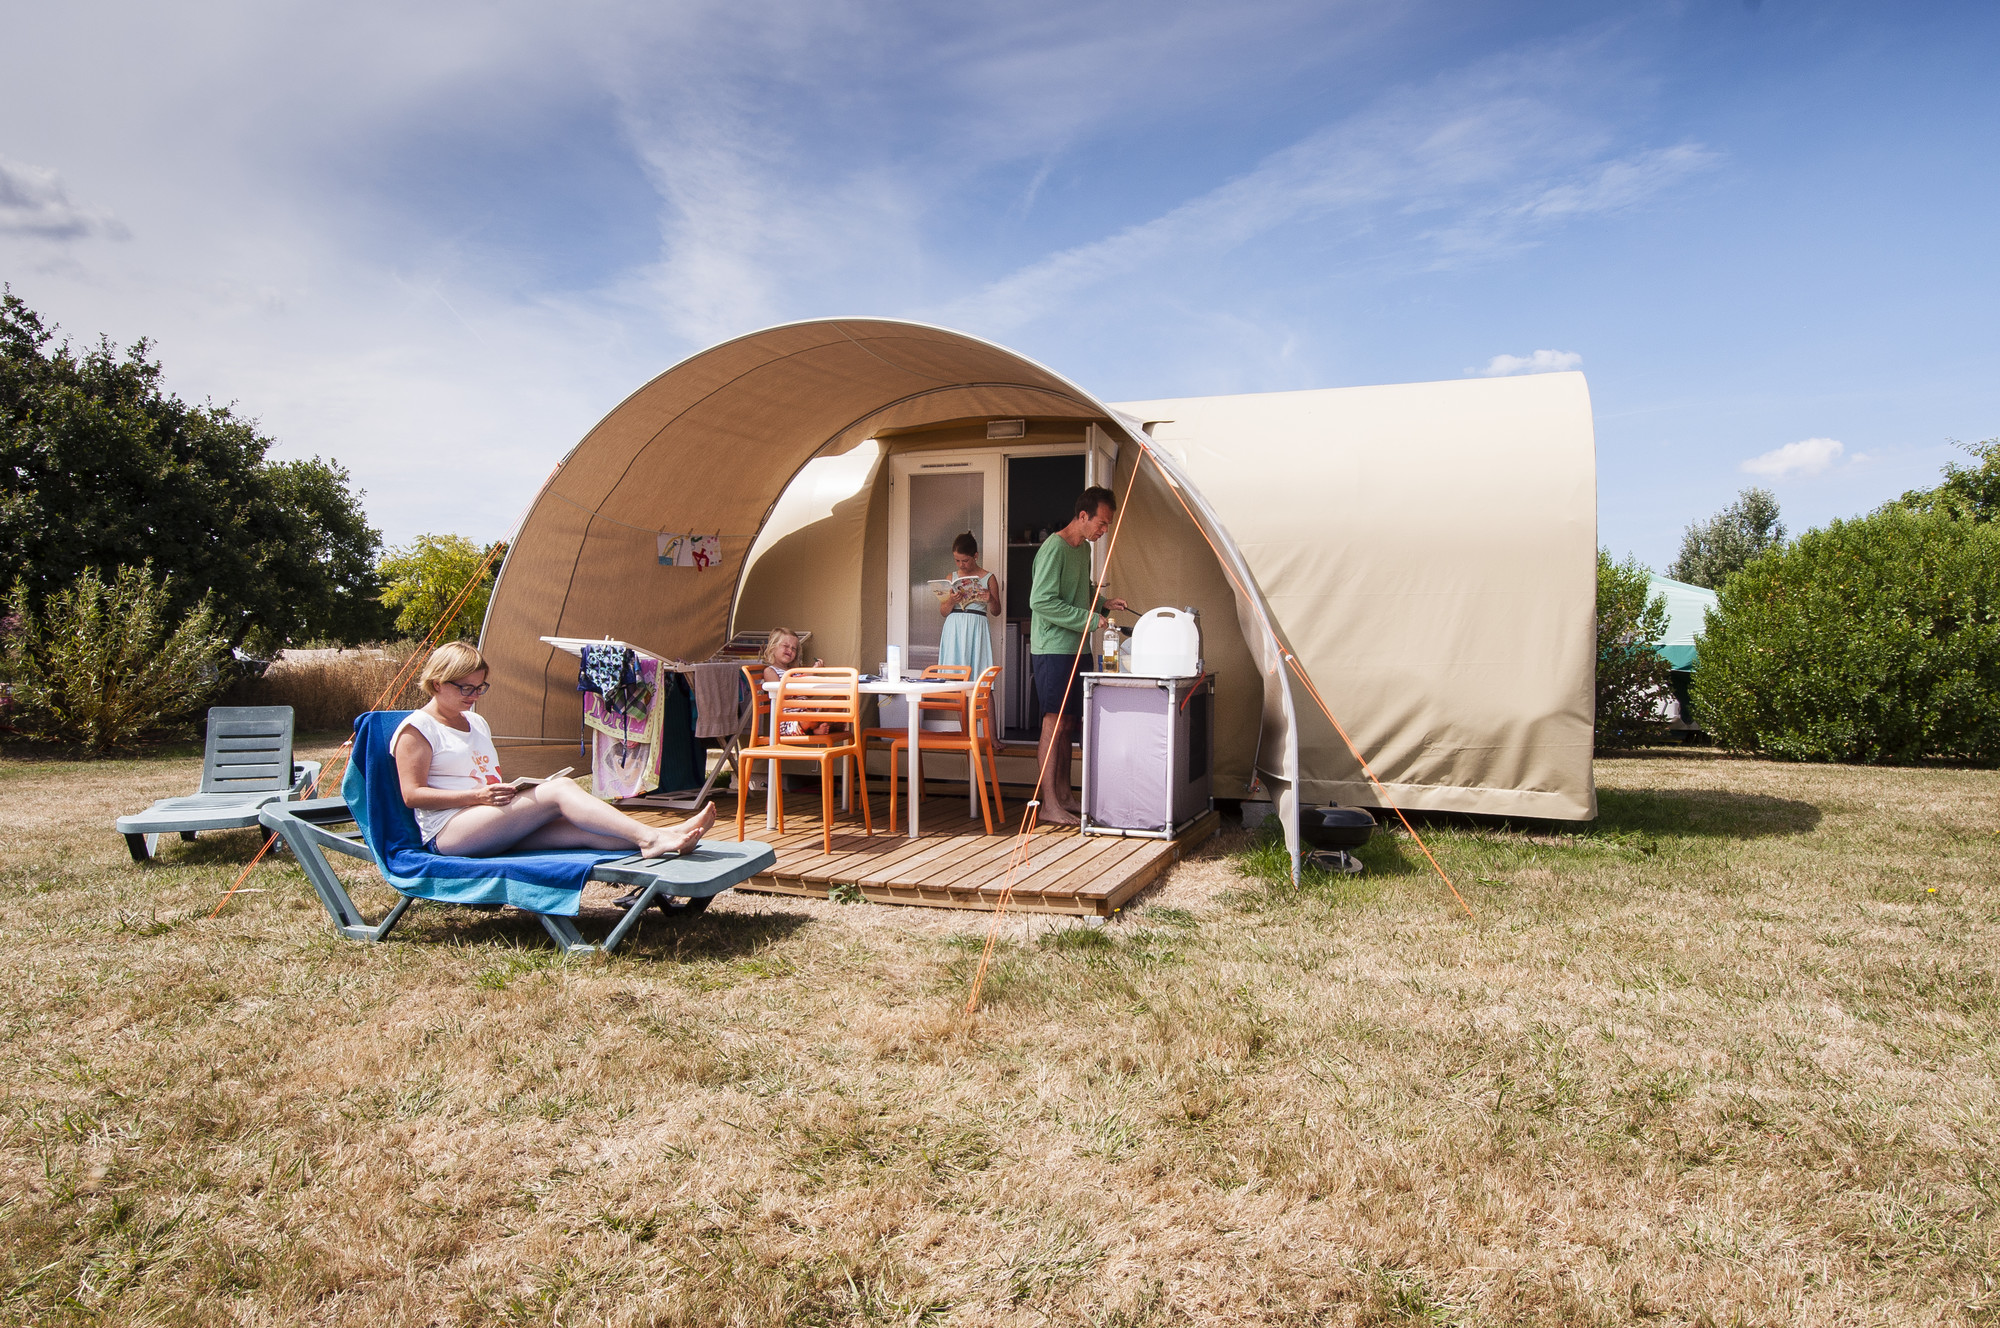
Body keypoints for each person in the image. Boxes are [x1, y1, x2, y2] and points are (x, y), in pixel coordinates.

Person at [392, 641, 714, 858]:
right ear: (437, 683)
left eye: (480, 688)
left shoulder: (476, 723)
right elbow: (413, 795)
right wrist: (478, 798)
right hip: (450, 832)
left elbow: (485, 778)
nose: (474, 695)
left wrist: (510, 792)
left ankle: (667, 837)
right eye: (466, 688)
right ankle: (653, 838)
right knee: (559, 790)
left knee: (578, 829)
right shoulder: (418, 729)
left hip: (487, 820)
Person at [1027, 487, 1129, 824]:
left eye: (1106, 526)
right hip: (1053, 648)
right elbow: (1041, 601)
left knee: (1069, 723)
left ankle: (1066, 795)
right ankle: (1048, 805)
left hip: (1077, 647)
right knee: (1053, 724)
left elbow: (1079, 589)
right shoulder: (1053, 549)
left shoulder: (1082, 549)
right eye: (1101, 523)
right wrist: (1087, 618)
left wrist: (1101, 603)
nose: (1103, 531)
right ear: (1082, 516)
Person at [937, 531, 998, 678]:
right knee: (953, 676)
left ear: (975, 556)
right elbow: (943, 612)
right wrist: (952, 600)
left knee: (981, 678)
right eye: (957, 560)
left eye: (965, 561)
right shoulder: (951, 578)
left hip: (977, 626)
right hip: (954, 627)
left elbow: (997, 611)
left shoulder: (989, 578)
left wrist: (990, 599)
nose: (961, 565)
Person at [761, 627, 831, 737]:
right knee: (810, 717)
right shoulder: (770, 671)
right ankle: (816, 728)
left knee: (840, 700)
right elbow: (781, 696)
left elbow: (807, 696)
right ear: (773, 648)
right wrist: (807, 677)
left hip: (807, 712)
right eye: (786, 646)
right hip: (789, 720)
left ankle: (817, 727)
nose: (790, 650)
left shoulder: (795, 671)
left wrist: (814, 673)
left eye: (794, 649)